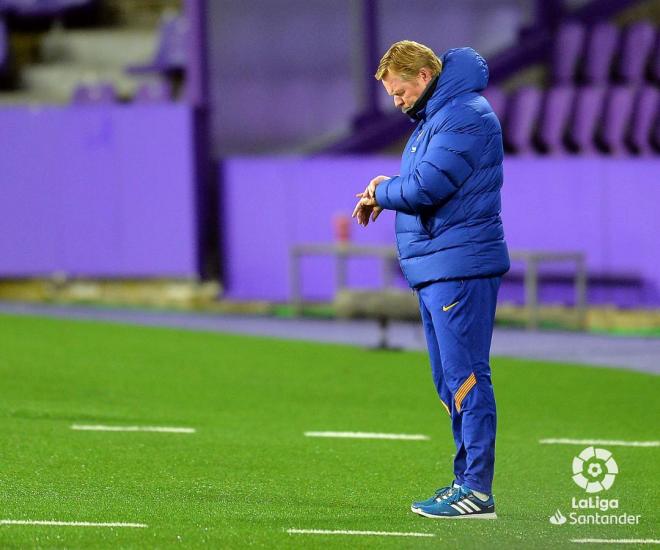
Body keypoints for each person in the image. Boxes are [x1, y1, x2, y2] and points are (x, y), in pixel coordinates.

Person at [352, 41, 510, 519]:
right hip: (439, 265)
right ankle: (464, 481)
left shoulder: (464, 115)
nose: (397, 101)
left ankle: (477, 491)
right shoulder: (436, 119)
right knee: (449, 382)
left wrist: (383, 189)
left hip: (459, 266)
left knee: (466, 377)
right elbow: (421, 182)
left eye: (400, 91)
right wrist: (387, 188)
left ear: (424, 76)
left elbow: (425, 187)